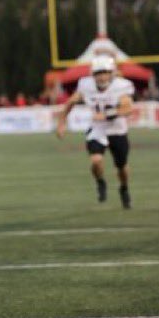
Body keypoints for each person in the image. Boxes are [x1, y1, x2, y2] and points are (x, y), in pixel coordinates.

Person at [56, 56, 136, 208]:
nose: (102, 76)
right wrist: (61, 122)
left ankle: (124, 188)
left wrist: (106, 115)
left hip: (117, 129)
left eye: (105, 72)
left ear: (111, 72)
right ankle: (100, 182)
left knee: (122, 167)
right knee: (96, 160)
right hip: (97, 128)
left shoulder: (121, 86)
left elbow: (128, 109)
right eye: (98, 72)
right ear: (93, 74)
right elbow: (71, 101)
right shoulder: (86, 85)